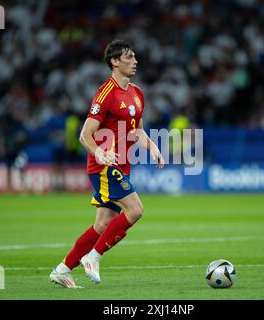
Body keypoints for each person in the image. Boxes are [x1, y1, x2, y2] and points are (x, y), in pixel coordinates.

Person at [50, 39, 165, 288]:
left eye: (135, 57)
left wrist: (153, 147)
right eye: (128, 57)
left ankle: (62, 270)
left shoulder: (137, 94)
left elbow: (138, 131)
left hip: (122, 164)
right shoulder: (105, 94)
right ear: (114, 62)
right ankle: (93, 257)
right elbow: (85, 135)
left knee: (102, 224)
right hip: (104, 166)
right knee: (135, 210)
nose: (135, 61)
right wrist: (99, 153)